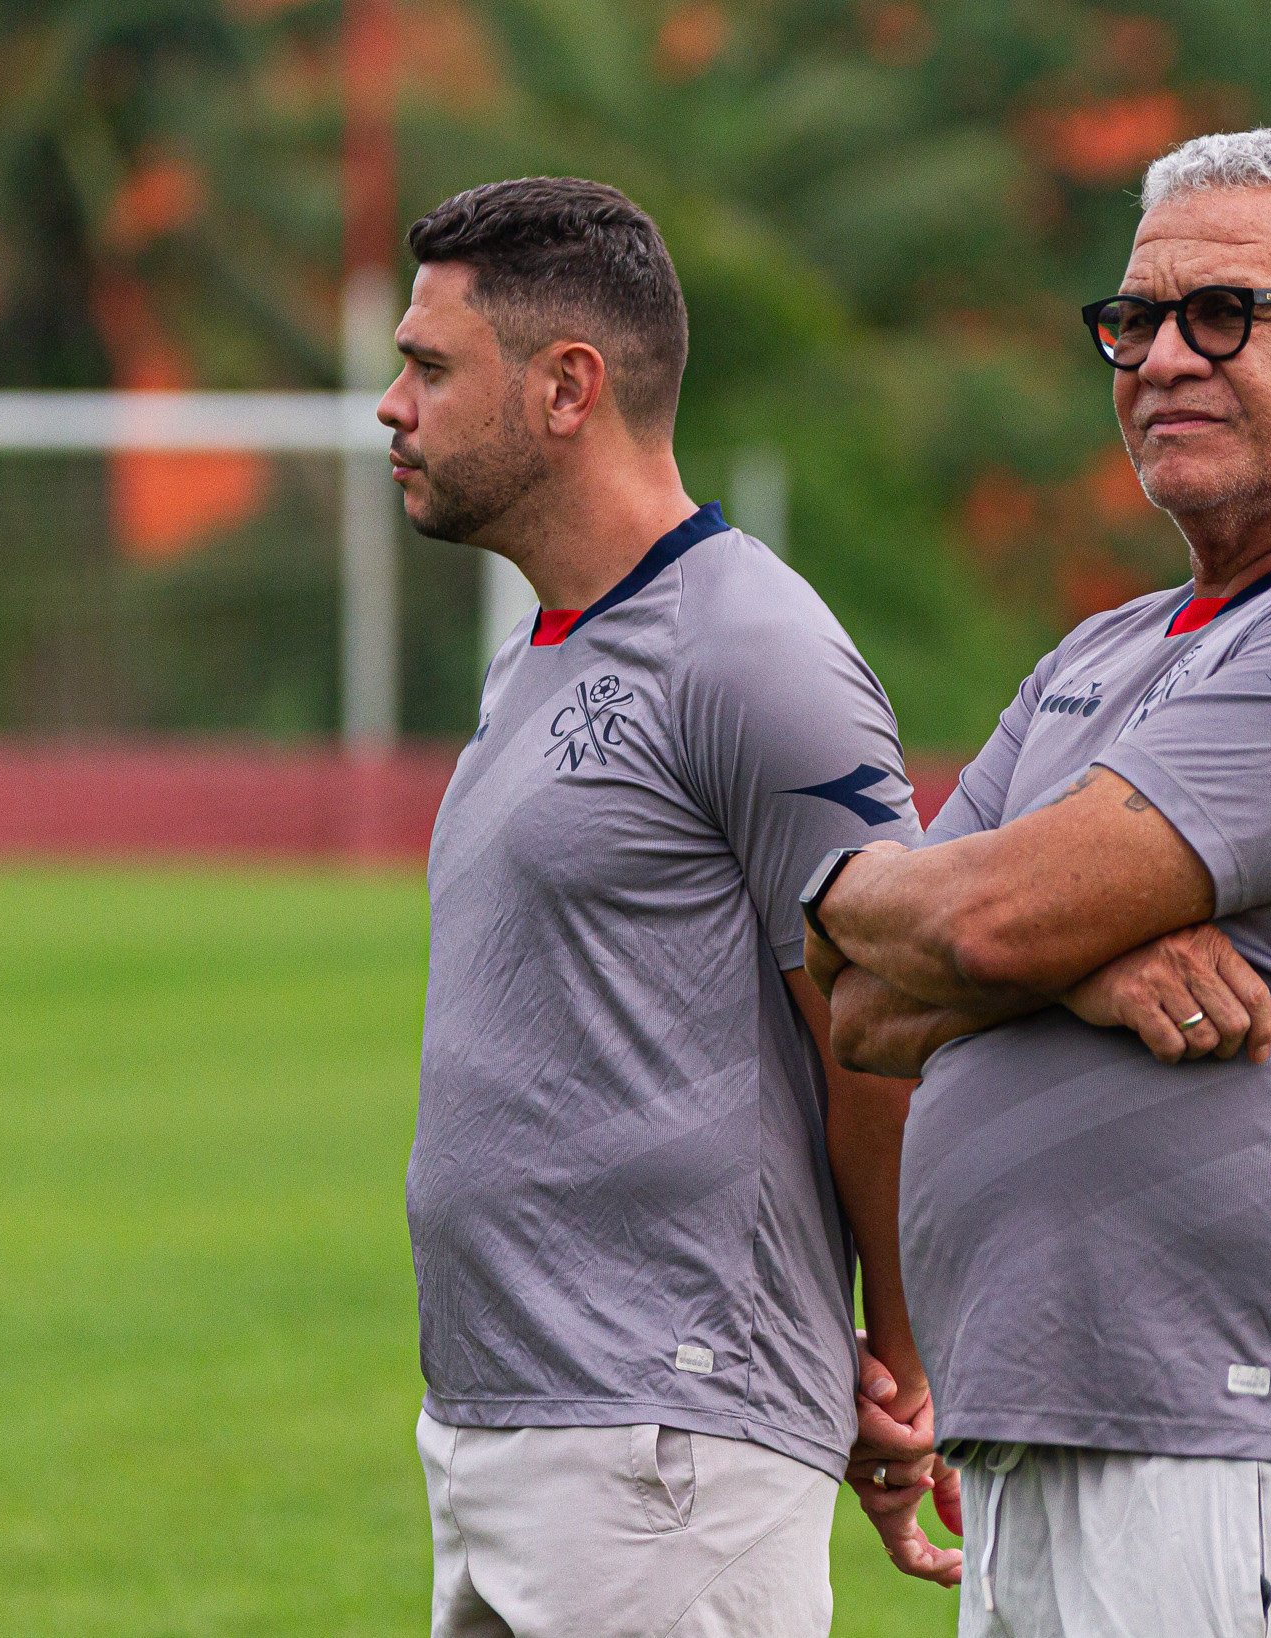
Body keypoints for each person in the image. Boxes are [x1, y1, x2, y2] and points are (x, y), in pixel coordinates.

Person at [805, 129, 1271, 1636]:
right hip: (1050, 1424)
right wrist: (1085, 960)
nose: (1161, 358)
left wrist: (991, 931)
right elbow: (857, 995)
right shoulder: (1103, 651)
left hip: (1256, 1436)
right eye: (1133, 320)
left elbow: (963, 918)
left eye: (1226, 314)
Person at [385, 176, 935, 1636]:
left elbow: (881, 1023)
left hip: (664, 1439)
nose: (391, 405)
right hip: (508, 1425)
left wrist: (895, 1346)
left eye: (429, 366)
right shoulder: (534, 659)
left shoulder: (750, 646)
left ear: (567, 387)